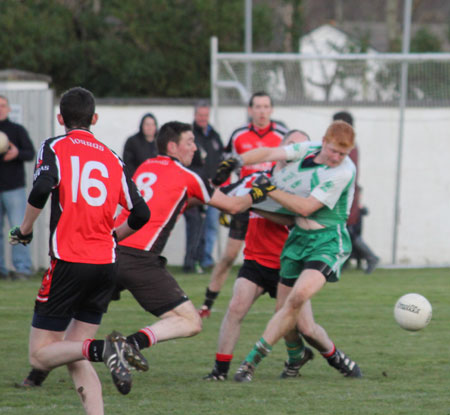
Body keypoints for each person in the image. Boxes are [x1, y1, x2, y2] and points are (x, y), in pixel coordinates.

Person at [19, 121, 274, 392]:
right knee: (190, 322)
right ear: (173, 146)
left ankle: (35, 376)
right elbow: (234, 205)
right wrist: (259, 192)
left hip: (108, 252)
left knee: (75, 320)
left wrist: (216, 185)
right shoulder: (187, 175)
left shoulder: (146, 167)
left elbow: (176, 198)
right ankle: (130, 345)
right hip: (139, 258)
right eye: (189, 142)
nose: (195, 147)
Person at [9, 87, 150, 415]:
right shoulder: (112, 157)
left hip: (70, 261)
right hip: (106, 264)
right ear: (95, 119)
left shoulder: (55, 146)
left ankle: (106, 350)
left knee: (41, 355)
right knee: (74, 348)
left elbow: (41, 188)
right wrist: (113, 236)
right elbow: (142, 213)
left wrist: (24, 231)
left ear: (60, 119)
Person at [215, 120, 363, 382]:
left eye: (343, 154)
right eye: (333, 151)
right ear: (324, 141)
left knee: (296, 300)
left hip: (327, 241)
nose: (337, 158)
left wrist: (269, 191)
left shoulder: (342, 171)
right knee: (296, 321)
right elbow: (270, 153)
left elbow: (305, 208)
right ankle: (330, 357)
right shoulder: (307, 149)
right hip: (297, 240)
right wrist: (238, 161)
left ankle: (250, 363)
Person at [204, 130, 310, 381]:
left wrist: (259, 203)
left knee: (306, 328)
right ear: (281, 147)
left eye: (301, 147)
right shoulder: (257, 178)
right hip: (255, 261)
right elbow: (218, 194)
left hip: (288, 265)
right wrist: (215, 184)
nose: (295, 151)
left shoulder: (304, 188)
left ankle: (335, 358)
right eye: (291, 145)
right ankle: (220, 371)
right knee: (236, 306)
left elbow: (296, 219)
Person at [199, 91, 287, 317]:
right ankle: (207, 304)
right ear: (250, 110)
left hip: (272, 205)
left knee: (281, 256)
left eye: (266, 106)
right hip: (245, 202)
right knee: (229, 255)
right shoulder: (238, 135)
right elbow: (226, 168)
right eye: (257, 106)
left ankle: (287, 305)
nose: (261, 111)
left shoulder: (282, 135)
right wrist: (225, 200)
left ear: (272, 110)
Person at [333, 111, 379, 274]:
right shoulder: (344, 144)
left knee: (349, 230)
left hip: (346, 194)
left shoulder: (347, 146)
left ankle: (371, 257)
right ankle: (342, 262)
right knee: (343, 229)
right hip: (344, 193)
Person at [183, 101, 224, 273]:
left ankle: (206, 259)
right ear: (195, 115)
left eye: (205, 115)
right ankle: (193, 260)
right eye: (200, 115)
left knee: (212, 225)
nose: (202, 118)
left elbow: (221, 160)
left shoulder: (214, 136)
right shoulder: (189, 135)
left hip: (213, 189)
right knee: (196, 226)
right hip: (195, 189)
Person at [0, 94, 35, 280]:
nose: (1, 109)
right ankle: (1, 270)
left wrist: (16, 153)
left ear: (9, 108)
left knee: (18, 229)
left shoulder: (17, 130)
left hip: (14, 188)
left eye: (3, 105)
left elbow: (30, 153)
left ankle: (22, 268)